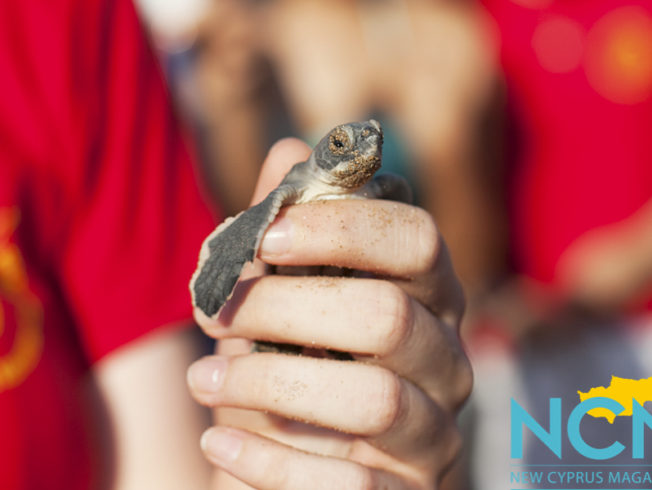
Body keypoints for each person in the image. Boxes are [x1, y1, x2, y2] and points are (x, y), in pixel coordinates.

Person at [1, 1, 472, 489]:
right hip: (264, 313)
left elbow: (158, 470)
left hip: (308, 355)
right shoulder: (234, 49)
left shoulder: (64, 22)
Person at [187, 138, 471, 489]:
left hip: (350, 333)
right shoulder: (297, 184)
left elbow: (399, 198)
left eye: (375, 141)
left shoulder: (375, 190)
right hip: (280, 332)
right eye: (341, 142)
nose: (364, 147)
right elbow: (250, 224)